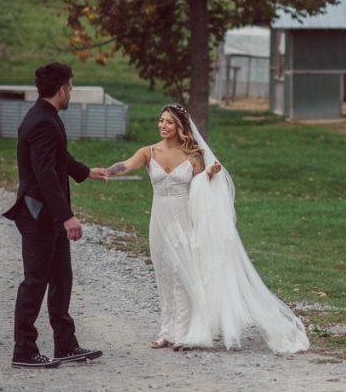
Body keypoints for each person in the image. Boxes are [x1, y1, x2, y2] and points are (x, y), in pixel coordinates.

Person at [106, 103, 309, 353]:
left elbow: (201, 188)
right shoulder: (149, 152)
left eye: (169, 122)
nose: (163, 125)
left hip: (185, 219)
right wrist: (107, 171)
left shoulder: (194, 155)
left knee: (185, 275)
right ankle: (166, 332)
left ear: (180, 126)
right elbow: (126, 165)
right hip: (159, 221)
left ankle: (188, 332)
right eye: (161, 121)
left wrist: (208, 175)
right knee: (164, 275)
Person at [3, 62, 108, 369]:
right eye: (71, 88)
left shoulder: (46, 117)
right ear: (62, 90)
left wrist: (86, 172)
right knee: (35, 282)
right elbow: (45, 173)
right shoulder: (42, 122)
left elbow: (59, 157)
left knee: (62, 277)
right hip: (39, 216)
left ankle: (65, 344)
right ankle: (24, 350)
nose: (71, 92)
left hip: (49, 216)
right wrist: (67, 216)